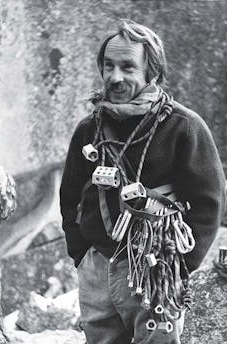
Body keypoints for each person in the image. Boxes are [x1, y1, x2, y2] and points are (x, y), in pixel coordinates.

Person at [60, 19, 226, 344]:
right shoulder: (88, 129)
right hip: (97, 267)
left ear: (152, 72)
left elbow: (209, 204)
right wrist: (80, 254)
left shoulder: (184, 127)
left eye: (127, 67)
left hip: (156, 270)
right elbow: (70, 194)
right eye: (108, 66)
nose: (115, 77)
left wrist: (179, 268)